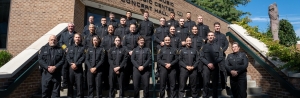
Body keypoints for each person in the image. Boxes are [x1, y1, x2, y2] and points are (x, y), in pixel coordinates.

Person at [200, 32, 224, 98]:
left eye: (212, 35)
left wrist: (213, 63)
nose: (210, 36)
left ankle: (215, 96)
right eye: (209, 35)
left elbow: (221, 57)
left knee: (215, 83)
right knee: (205, 82)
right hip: (206, 67)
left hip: (215, 67)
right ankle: (205, 96)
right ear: (207, 37)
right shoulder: (204, 47)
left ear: (214, 37)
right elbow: (201, 57)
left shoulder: (218, 47)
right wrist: (208, 64)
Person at [66, 33, 85, 98]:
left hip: (79, 68)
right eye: (76, 37)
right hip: (71, 68)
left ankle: (80, 96)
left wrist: (76, 64)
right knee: (70, 83)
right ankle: (70, 96)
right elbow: (67, 56)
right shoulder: (70, 47)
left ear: (80, 39)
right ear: (74, 38)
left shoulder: (83, 48)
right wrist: (71, 64)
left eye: (78, 37)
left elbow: (83, 57)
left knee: (79, 84)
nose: (77, 38)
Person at [58, 23, 76, 89]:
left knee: (72, 69)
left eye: (72, 26)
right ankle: (65, 83)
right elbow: (60, 43)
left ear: (74, 27)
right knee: (64, 68)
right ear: (67, 27)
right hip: (65, 54)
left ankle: (73, 83)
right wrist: (65, 48)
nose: (71, 27)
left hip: (73, 55)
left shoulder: (76, 34)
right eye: (69, 26)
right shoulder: (63, 34)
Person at [122, 24, 139, 89]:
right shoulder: (126, 36)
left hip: (136, 56)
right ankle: (126, 85)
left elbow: (139, 44)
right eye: (131, 27)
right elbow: (124, 45)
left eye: (134, 27)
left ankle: (135, 86)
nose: (133, 29)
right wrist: (129, 51)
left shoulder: (138, 36)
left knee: (135, 71)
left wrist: (134, 51)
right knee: (126, 71)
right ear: (129, 28)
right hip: (128, 56)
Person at [213, 22, 229, 89]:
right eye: (216, 26)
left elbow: (226, 44)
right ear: (214, 27)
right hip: (214, 56)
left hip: (222, 55)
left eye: (218, 26)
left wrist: (223, 50)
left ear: (220, 27)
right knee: (214, 70)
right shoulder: (212, 35)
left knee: (223, 70)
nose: (217, 27)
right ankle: (215, 85)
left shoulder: (223, 36)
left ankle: (224, 85)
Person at [100, 24, 116, 90]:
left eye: (111, 27)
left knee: (113, 73)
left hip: (114, 58)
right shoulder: (104, 38)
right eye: (109, 28)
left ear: (113, 29)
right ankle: (106, 85)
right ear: (107, 29)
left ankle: (113, 86)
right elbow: (102, 46)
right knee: (105, 72)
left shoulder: (116, 37)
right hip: (106, 57)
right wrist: (106, 51)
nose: (110, 29)